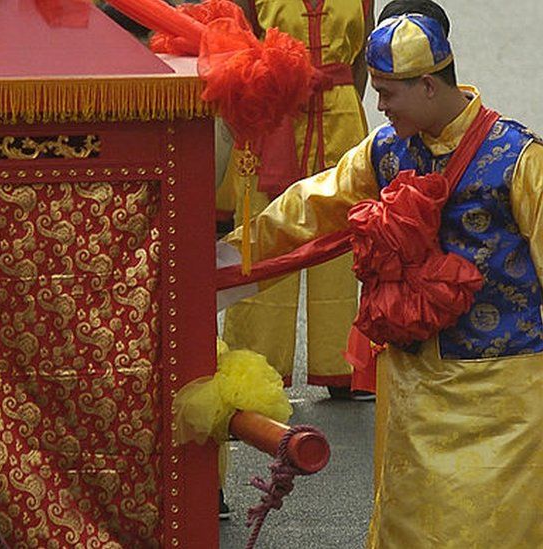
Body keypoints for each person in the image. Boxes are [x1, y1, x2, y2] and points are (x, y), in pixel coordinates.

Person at [224, 4, 542, 546]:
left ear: (426, 86)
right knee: (410, 527)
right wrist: (224, 261)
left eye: (387, 92)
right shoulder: (387, 151)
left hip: (508, 392)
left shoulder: (518, 159)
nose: (377, 105)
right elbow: (311, 206)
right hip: (415, 388)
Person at [220, 0, 374, 399]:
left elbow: (360, 62)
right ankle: (253, 366)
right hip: (273, 121)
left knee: (343, 242)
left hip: (340, 120)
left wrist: (339, 98)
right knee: (263, 240)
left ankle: (342, 367)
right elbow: (237, 50)